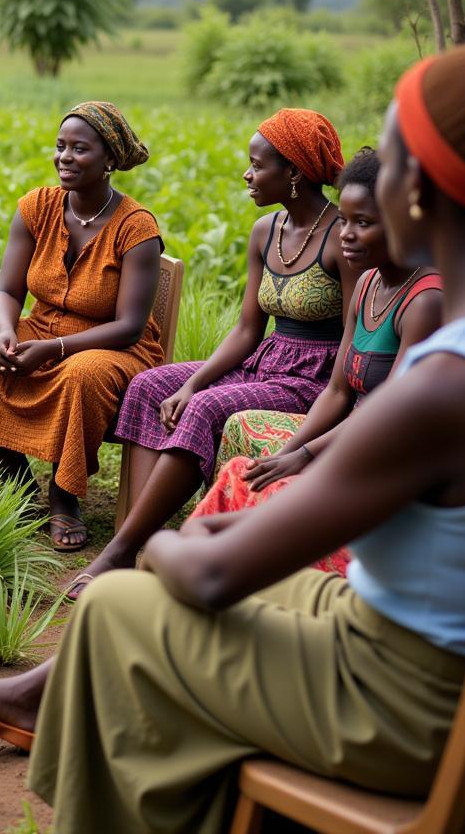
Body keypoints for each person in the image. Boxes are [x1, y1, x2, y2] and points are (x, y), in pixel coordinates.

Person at [0, 44, 465, 834]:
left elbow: (216, 572)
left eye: (386, 158)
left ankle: (83, 762)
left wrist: (152, 547)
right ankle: (41, 702)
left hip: (408, 703)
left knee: (123, 602)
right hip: (444, 657)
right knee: (189, 573)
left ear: (420, 190)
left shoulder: (444, 384)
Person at [68, 108, 356, 593]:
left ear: (294, 174)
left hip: (314, 378)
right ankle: (139, 540)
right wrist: (191, 380)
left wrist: (200, 394)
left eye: (257, 165)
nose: (247, 174)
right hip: (266, 360)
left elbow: (353, 334)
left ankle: (119, 554)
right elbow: (248, 330)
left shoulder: (341, 238)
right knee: (150, 385)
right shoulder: (266, 233)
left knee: (202, 409)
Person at [188, 147, 442, 578]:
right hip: (348, 436)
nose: (345, 234)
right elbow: (338, 390)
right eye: (343, 220)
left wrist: (305, 456)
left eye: (364, 223)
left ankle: (248, 582)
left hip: (387, 454)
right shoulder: (367, 284)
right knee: (245, 473)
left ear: (404, 221)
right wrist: (285, 456)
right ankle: (212, 573)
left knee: (281, 495)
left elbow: (387, 415)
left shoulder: (425, 302)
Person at [0, 102, 163, 549]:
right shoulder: (37, 207)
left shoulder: (136, 228)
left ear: (109, 161)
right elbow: (7, 292)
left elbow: (129, 327)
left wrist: (55, 349)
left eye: (79, 149)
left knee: (82, 374)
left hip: (115, 349)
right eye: (60, 146)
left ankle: (64, 497)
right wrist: (5, 331)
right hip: (42, 328)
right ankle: (13, 476)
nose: (65, 156)